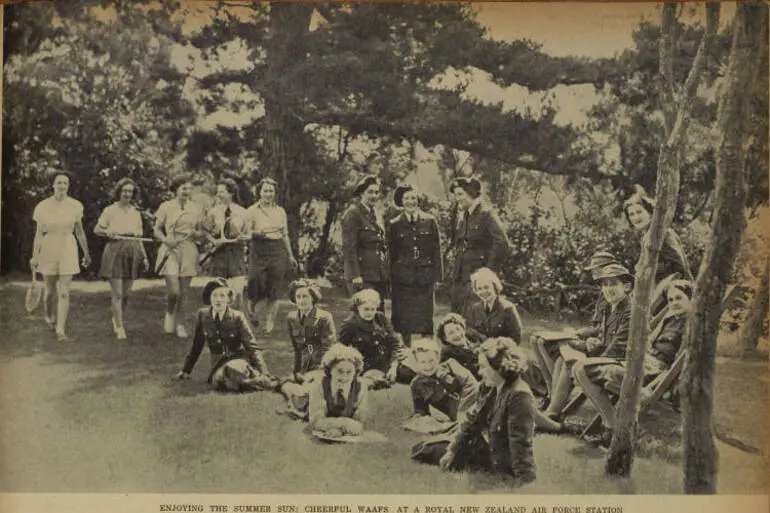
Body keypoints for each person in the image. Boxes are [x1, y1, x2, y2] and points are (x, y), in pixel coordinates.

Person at [572, 279, 692, 444]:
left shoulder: (691, 327)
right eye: (671, 300)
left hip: (651, 374)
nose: (674, 303)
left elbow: (675, 368)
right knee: (579, 369)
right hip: (639, 364)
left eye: (679, 298)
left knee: (589, 370)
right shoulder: (670, 319)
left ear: (691, 299)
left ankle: (614, 431)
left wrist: (651, 388)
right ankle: (613, 426)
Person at [437, 338, 536, 488]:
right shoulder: (490, 385)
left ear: (499, 366)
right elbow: (472, 420)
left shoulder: (519, 396)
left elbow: (520, 444)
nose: (479, 372)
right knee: (429, 449)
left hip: (501, 463)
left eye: (483, 367)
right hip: (488, 449)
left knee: (436, 449)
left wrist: (525, 482)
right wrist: (452, 450)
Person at [539, 263, 633, 421]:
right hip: (607, 356)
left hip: (619, 363)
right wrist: (587, 343)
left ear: (627, 286)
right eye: (605, 284)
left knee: (570, 361)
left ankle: (552, 413)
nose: (608, 289)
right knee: (564, 357)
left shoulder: (629, 313)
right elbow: (604, 338)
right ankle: (553, 408)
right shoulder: (610, 308)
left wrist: (587, 354)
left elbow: (617, 349)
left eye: (614, 284)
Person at [531, 250, 619, 395]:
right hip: (594, 340)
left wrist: (585, 336)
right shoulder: (604, 292)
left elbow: (605, 328)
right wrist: (580, 332)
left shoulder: (614, 293)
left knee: (550, 346)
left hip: (600, 347)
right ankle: (551, 390)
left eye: (596, 270)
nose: (594, 274)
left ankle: (555, 394)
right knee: (536, 339)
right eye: (594, 271)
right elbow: (598, 325)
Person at [176, 279, 276, 392]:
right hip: (217, 365)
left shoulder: (237, 316)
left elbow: (252, 346)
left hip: (238, 359)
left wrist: (265, 372)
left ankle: (259, 381)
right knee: (219, 381)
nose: (218, 299)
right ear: (209, 297)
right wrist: (186, 370)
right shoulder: (202, 315)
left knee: (232, 370)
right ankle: (256, 383)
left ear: (229, 299)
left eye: (222, 296)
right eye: (214, 295)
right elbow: (197, 346)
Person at [30, 171, 92, 342]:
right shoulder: (42, 206)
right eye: (59, 183)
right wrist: (34, 256)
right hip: (49, 246)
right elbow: (39, 234)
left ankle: (60, 329)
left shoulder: (75, 205)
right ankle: (49, 316)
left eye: (65, 183)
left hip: (68, 247)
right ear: (53, 185)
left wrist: (86, 252)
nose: (62, 186)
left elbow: (79, 232)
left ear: (68, 186)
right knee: (50, 292)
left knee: (64, 291)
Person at [94, 177, 150, 340]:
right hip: (114, 249)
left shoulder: (136, 212)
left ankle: (117, 318)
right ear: (119, 192)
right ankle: (119, 327)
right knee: (117, 293)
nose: (127, 194)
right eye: (124, 191)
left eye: (130, 191)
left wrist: (144, 257)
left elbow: (139, 237)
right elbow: (97, 229)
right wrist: (107, 233)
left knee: (126, 294)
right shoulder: (110, 210)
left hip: (132, 250)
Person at [388, 185, 443, 347]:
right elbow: (392, 253)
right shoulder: (395, 224)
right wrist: (392, 276)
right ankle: (406, 350)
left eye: (413, 198)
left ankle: (428, 349)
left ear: (418, 200)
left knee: (426, 316)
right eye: (407, 199)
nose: (410, 202)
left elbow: (436, 251)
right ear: (401, 202)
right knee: (404, 318)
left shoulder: (430, 221)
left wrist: (438, 277)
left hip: (425, 277)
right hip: (402, 278)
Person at [448, 177, 510, 317]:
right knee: (457, 319)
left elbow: (502, 243)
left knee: (475, 319)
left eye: (460, 194)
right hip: (460, 278)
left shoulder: (486, 214)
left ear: (471, 194)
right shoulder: (465, 215)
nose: (457, 198)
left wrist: (488, 271)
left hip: (477, 281)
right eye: (456, 195)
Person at [153, 174, 205, 338]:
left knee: (183, 292)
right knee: (174, 291)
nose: (187, 191)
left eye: (189, 188)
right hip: (170, 250)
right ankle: (170, 313)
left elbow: (201, 233)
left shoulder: (197, 208)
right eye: (183, 188)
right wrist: (166, 239)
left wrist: (194, 232)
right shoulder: (166, 206)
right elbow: (156, 229)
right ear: (176, 190)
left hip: (189, 250)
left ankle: (180, 324)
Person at [245, 177, 298, 333]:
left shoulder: (280, 211)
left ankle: (269, 322)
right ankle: (251, 310)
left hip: (277, 251)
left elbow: (285, 234)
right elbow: (246, 233)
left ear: (275, 193)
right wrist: (259, 233)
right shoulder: (252, 211)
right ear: (259, 192)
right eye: (265, 190)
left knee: (274, 288)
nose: (268, 194)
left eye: (271, 191)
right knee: (254, 282)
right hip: (258, 249)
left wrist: (290, 256)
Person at [338, 288, 411, 388]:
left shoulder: (380, 318)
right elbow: (340, 350)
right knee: (370, 383)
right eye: (366, 309)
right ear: (357, 307)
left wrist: (393, 366)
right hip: (366, 366)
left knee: (411, 373)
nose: (370, 313)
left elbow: (394, 343)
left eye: (373, 309)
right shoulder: (349, 325)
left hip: (387, 361)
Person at [623, 184, 692, 285]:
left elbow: (679, 265)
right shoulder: (646, 236)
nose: (636, 217)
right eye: (631, 214)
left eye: (639, 212)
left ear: (650, 214)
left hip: (676, 288)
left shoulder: (662, 234)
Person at [341, 175, 388, 311]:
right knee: (363, 316)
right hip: (361, 275)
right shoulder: (353, 214)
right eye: (370, 192)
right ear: (362, 193)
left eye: (376, 192)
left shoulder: (376, 214)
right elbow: (349, 248)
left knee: (378, 316)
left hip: (376, 275)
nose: (374, 196)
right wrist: (355, 275)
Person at [202, 178, 249, 308]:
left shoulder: (242, 212)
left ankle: (236, 320)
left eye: (222, 192)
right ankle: (218, 323)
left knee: (238, 292)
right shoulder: (214, 212)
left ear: (231, 193)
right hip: (219, 255)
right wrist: (214, 241)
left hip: (236, 254)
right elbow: (205, 230)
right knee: (218, 291)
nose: (219, 194)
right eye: (218, 192)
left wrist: (243, 238)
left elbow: (249, 233)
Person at [409, 337, 479, 423]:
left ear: (438, 358)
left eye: (431, 361)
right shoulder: (416, 384)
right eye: (423, 362)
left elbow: (472, 386)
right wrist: (425, 421)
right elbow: (421, 412)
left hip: (476, 408)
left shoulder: (451, 365)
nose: (428, 366)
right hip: (456, 420)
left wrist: (461, 416)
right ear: (416, 363)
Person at [286, 278, 337, 381]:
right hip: (303, 367)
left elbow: (328, 349)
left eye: (305, 296)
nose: (301, 300)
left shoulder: (324, 317)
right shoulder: (291, 318)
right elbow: (297, 349)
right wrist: (296, 372)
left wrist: (320, 370)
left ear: (313, 298)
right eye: (298, 297)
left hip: (321, 366)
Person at [465, 267, 523, 344]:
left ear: (494, 286)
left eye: (486, 287)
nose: (483, 292)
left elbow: (516, 339)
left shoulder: (507, 308)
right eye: (479, 289)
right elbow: (469, 332)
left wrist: (494, 344)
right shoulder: (475, 309)